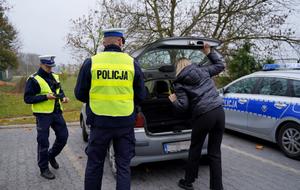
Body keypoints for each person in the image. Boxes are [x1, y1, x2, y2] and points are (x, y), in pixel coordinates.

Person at [74, 28, 146, 190]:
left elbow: (79, 94)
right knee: (123, 167)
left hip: (99, 124)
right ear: (121, 42)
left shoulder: (91, 62)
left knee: (94, 166)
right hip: (125, 124)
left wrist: (95, 100)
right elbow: (141, 95)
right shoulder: (132, 63)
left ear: (103, 43)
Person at [168, 43, 225, 190]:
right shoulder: (202, 70)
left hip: (204, 115)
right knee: (215, 152)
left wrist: (174, 101)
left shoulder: (180, 83)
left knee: (195, 149)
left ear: (177, 68)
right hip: (219, 112)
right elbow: (220, 65)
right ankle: (217, 188)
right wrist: (208, 52)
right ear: (189, 63)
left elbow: (183, 106)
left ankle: (188, 182)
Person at [24, 55, 70, 180]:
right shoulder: (33, 80)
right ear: (41, 64)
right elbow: (27, 98)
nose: (50, 69)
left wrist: (63, 97)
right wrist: (45, 97)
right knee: (43, 142)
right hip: (43, 115)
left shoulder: (55, 76)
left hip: (56, 113)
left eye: (51, 66)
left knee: (63, 137)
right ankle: (44, 169)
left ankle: (51, 155)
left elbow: (59, 90)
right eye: (47, 66)